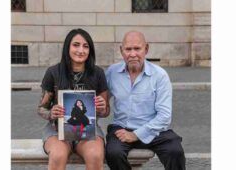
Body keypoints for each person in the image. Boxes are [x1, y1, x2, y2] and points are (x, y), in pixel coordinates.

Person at [105, 31, 186, 170]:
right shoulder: (112, 72)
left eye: (137, 48)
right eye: (128, 49)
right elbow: (102, 102)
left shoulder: (159, 75)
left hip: (154, 130)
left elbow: (164, 116)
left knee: (175, 151)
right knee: (113, 153)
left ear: (146, 49)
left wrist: (136, 134)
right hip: (122, 128)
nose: (132, 54)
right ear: (121, 50)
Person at [37, 28, 109, 170]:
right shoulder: (53, 72)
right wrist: (52, 112)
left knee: (95, 155)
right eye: (76, 45)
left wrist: (102, 107)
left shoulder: (98, 73)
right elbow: (41, 108)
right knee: (57, 155)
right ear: (67, 47)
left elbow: (106, 111)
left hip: (88, 128)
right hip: (57, 130)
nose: (81, 50)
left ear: (90, 50)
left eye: (85, 46)